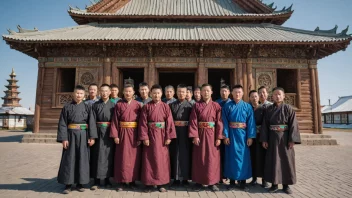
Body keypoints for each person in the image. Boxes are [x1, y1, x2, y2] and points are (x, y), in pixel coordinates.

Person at [57, 85, 97, 194]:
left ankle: (80, 183)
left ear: (84, 95)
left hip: (83, 136)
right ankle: (68, 184)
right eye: (77, 93)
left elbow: (92, 122)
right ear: (73, 94)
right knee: (69, 159)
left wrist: (92, 137)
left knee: (82, 159)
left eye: (81, 93)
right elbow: (63, 123)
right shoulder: (67, 107)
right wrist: (64, 138)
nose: (79, 95)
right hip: (70, 136)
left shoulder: (88, 107)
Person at [261, 87, 301, 194]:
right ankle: (274, 184)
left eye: (279, 94)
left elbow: (293, 125)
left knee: (286, 161)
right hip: (273, 138)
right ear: (272, 96)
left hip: (285, 138)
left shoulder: (288, 108)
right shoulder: (269, 109)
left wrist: (292, 139)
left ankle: (286, 185)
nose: (277, 96)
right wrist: (264, 139)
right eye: (275, 94)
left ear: (283, 96)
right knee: (273, 161)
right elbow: (265, 125)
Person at [138, 84, 176, 193]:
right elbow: (143, 123)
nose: (156, 95)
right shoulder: (146, 107)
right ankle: (149, 184)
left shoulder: (165, 106)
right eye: (154, 93)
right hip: (150, 135)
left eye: (158, 93)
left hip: (162, 136)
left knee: (162, 160)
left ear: (161, 94)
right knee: (149, 159)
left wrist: (169, 136)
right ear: (151, 94)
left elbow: (169, 122)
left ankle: (161, 183)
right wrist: (144, 137)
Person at [189, 84, 223, 192]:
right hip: (200, 134)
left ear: (212, 92)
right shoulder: (196, 105)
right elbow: (193, 121)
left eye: (208, 90)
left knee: (212, 159)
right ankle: (199, 181)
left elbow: (219, 122)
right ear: (201, 92)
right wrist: (194, 135)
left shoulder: (216, 106)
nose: (206, 93)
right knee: (200, 158)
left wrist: (219, 137)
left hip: (212, 135)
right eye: (204, 91)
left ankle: (212, 182)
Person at [222, 84, 256, 192]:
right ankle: (232, 181)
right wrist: (225, 135)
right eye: (235, 92)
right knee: (231, 158)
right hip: (231, 135)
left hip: (243, 135)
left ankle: (243, 182)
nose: (237, 94)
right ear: (232, 93)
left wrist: (250, 136)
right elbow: (224, 122)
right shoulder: (227, 106)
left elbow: (251, 123)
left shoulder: (247, 106)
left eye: (239, 92)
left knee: (244, 158)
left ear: (243, 93)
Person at [110, 84, 142, 191]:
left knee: (134, 158)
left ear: (134, 93)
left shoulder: (138, 105)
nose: (128, 93)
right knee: (121, 158)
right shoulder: (119, 105)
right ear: (123, 92)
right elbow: (115, 121)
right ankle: (121, 182)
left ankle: (132, 181)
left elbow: (142, 122)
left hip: (134, 133)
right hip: (122, 133)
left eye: (130, 91)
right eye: (126, 91)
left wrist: (140, 136)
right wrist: (115, 135)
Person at [89, 84, 115, 190]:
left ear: (110, 92)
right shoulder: (95, 105)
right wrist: (92, 136)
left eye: (106, 91)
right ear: (100, 92)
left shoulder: (114, 105)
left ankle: (108, 179)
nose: (104, 93)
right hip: (98, 132)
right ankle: (96, 181)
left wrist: (114, 134)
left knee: (109, 156)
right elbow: (91, 121)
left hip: (109, 132)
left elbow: (115, 121)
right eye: (102, 91)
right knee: (96, 155)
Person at [169, 84, 193, 188]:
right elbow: (169, 121)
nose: (181, 93)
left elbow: (193, 121)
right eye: (179, 91)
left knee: (185, 155)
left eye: (183, 92)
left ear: (187, 93)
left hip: (186, 132)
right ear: (176, 92)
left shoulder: (190, 105)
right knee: (174, 154)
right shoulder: (171, 105)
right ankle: (175, 178)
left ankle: (185, 178)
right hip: (174, 132)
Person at [248, 90, 269, 188]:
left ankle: (264, 180)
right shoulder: (248, 108)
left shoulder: (264, 109)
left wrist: (265, 138)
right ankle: (254, 178)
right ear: (249, 98)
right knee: (253, 157)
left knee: (263, 157)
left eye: (255, 96)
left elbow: (265, 124)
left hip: (261, 136)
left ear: (258, 97)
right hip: (251, 137)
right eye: (252, 96)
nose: (254, 98)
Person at [215, 85, 231, 184]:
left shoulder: (232, 103)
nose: (223, 93)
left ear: (229, 92)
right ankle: (218, 175)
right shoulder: (216, 103)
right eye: (222, 91)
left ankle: (227, 174)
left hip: (230, 132)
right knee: (218, 154)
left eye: (225, 91)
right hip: (217, 132)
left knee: (228, 154)